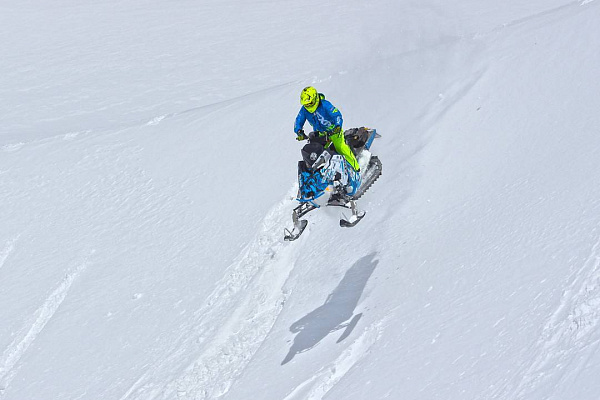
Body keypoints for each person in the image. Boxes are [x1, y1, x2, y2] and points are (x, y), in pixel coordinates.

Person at [294, 87, 360, 171]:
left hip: (334, 131)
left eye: (310, 103)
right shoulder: (304, 109)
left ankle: (356, 169)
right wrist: (299, 131)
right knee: (316, 154)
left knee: (341, 148)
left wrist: (338, 126)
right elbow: (298, 120)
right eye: (306, 104)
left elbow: (336, 115)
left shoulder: (324, 105)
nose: (308, 105)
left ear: (315, 99)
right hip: (321, 134)